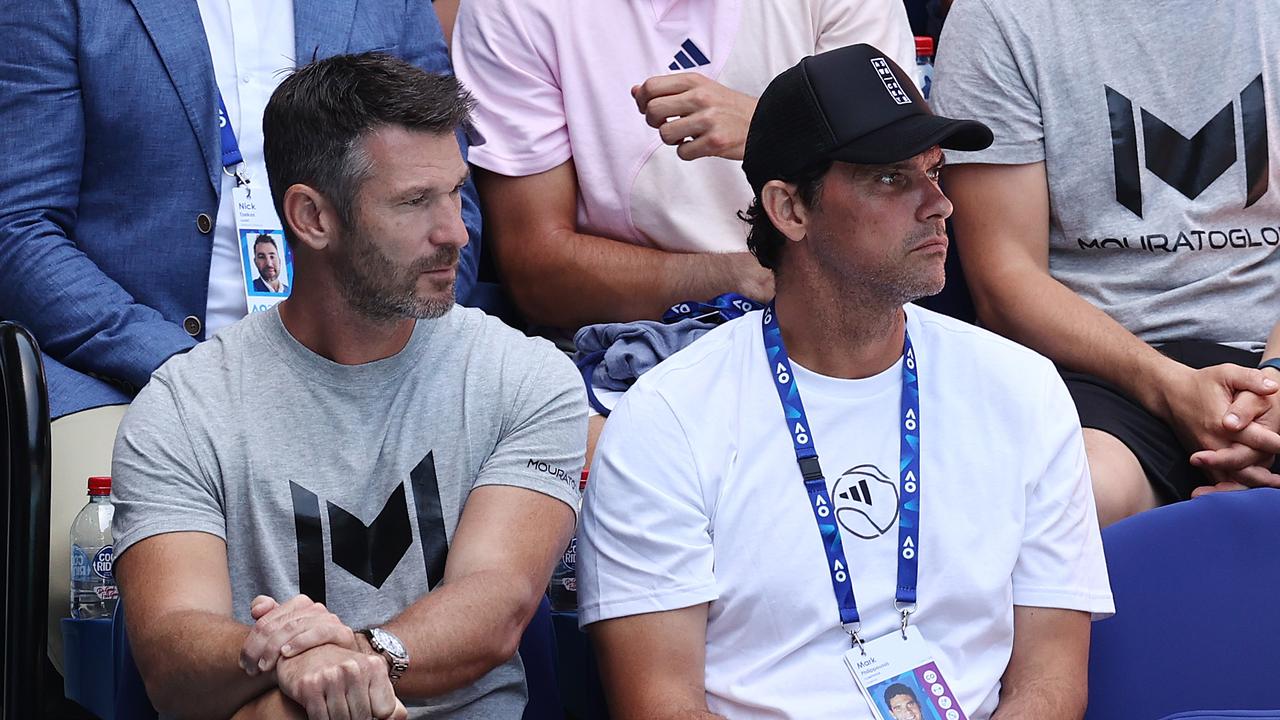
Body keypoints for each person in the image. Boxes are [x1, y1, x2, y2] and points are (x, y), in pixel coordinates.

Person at [577, 45, 1113, 720]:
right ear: (789, 210)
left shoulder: (1023, 388)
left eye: (936, 172)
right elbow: (659, 704)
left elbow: (1051, 683)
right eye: (892, 179)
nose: (938, 205)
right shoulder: (667, 416)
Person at [111, 53, 585, 720]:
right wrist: (286, 659)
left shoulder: (529, 378)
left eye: (456, 191)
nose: (456, 232)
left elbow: (496, 603)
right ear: (311, 218)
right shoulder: (185, 406)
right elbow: (169, 652)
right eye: (416, 202)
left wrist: (333, 671)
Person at [0, 0, 482, 419]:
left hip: (366, 371)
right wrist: (190, 367)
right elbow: (20, 228)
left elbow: (447, 190)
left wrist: (381, 354)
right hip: (128, 379)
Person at [931, 0, 1280, 526]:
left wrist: (1273, 387)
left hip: (1266, 351)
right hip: (1099, 365)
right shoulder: (1000, 15)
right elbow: (1006, 278)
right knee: (1064, 506)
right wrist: (1169, 388)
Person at [452, 0, 915, 333]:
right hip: (634, 343)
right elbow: (537, 272)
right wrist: (740, 278)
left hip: (842, 318)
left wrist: (768, 127)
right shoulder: (509, 9)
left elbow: (900, 171)